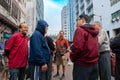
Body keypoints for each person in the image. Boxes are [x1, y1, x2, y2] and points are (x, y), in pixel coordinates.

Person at [70, 14, 99, 80]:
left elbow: (77, 48)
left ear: (83, 20)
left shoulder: (80, 30)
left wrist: (72, 57)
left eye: (78, 20)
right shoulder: (94, 31)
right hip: (94, 64)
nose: (77, 22)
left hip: (82, 65)